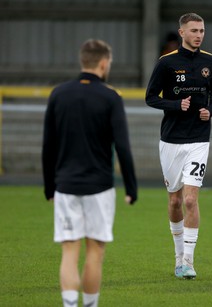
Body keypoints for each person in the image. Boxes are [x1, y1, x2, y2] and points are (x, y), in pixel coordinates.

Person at [42, 39, 138, 307]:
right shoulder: (111, 97)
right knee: (95, 252)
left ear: (82, 60)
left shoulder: (58, 94)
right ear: (104, 63)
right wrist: (131, 188)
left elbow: (48, 145)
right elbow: (122, 147)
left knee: (69, 251)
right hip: (99, 188)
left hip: (66, 186)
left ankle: (70, 304)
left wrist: (49, 186)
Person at [145, 13, 212, 279]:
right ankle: (178, 256)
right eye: (193, 30)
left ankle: (188, 261)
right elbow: (150, 98)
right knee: (175, 200)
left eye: (202, 30)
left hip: (199, 139)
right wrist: (175, 105)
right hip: (170, 140)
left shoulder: (211, 62)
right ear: (181, 33)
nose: (199, 35)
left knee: (191, 199)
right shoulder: (166, 63)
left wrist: (210, 110)